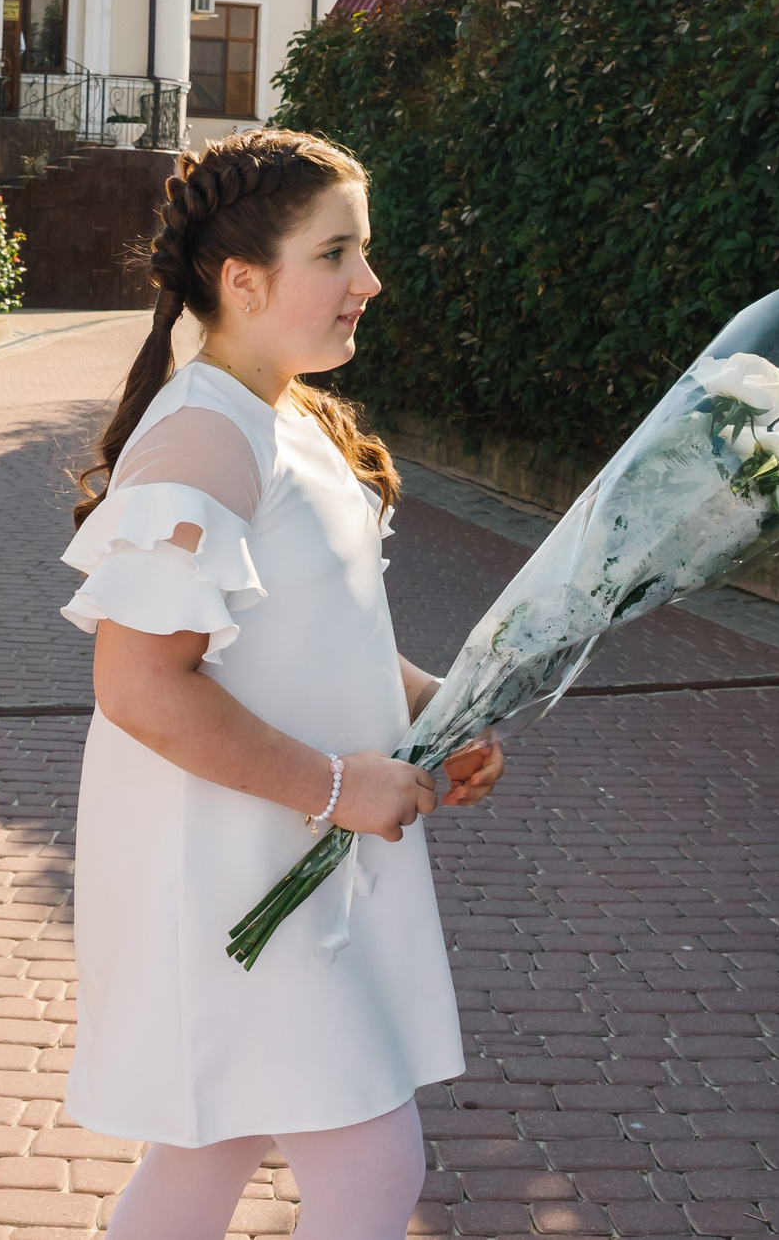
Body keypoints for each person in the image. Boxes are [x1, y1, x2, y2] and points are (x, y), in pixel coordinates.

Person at [58, 128, 508, 1240]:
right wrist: (332, 787)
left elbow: (322, 634)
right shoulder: (207, 436)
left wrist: (436, 708)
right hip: (233, 871)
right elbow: (140, 686)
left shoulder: (288, 417)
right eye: (337, 253)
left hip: (285, 856)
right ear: (244, 282)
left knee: (210, 1150)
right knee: (369, 1170)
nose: (369, 281)